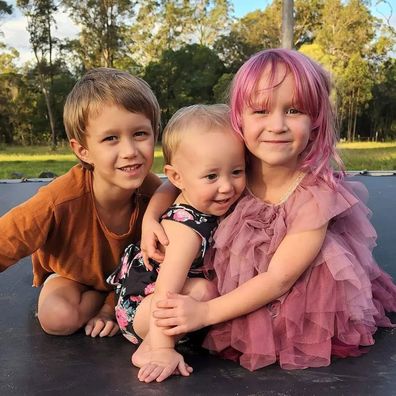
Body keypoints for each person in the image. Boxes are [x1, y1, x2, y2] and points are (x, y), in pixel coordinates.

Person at [143, 49, 396, 371]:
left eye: (293, 110)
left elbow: (279, 279)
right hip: (235, 281)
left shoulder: (313, 195)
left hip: (295, 296)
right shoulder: (237, 163)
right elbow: (180, 179)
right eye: (261, 111)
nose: (277, 126)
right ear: (240, 118)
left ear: (315, 119)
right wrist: (151, 218)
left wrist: (206, 314)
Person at [0, 68, 162, 339]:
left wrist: (110, 308)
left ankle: (113, 304)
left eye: (140, 134)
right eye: (111, 138)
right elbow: (8, 238)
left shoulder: (156, 195)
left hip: (130, 280)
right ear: (82, 150)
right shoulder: (60, 198)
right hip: (73, 278)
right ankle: (110, 303)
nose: (130, 151)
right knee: (57, 318)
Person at [107, 104, 246, 382]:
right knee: (207, 292)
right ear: (178, 177)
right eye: (211, 176)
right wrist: (162, 348)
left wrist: (150, 216)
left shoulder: (201, 194)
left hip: (160, 301)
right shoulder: (185, 231)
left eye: (237, 172)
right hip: (141, 309)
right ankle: (149, 348)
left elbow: (167, 186)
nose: (227, 187)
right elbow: (164, 294)